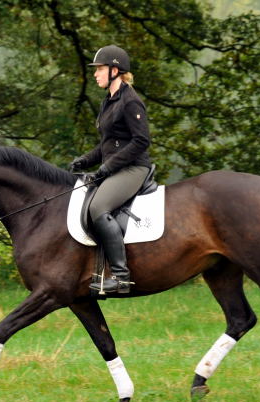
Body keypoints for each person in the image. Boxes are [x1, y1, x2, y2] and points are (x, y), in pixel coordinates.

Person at [69, 45, 152, 294]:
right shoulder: (109, 101)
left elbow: (140, 142)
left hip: (133, 169)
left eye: (100, 69)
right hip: (117, 168)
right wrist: (84, 160)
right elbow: (108, 144)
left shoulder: (130, 101)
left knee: (97, 207)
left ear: (115, 70)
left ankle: (121, 276)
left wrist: (106, 168)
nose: (95, 74)